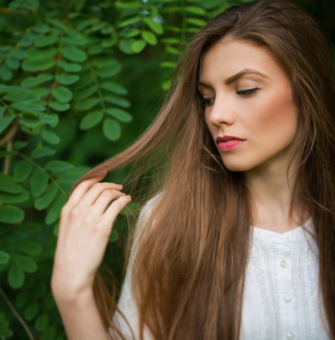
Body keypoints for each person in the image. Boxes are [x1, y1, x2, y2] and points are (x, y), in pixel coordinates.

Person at [50, 0, 335, 338]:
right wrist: (73, 293)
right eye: (207, 98)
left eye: (246, 90)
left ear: (307, 89)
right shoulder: (171, 221)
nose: (216, 115)